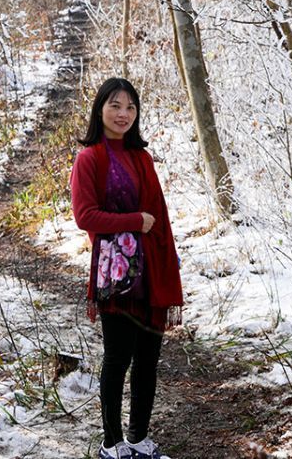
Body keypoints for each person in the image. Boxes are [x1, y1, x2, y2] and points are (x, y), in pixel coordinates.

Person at [70, 77, 183, 459]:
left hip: (151, 268)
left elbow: (160, 217)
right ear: (100, 109)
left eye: (130, 107)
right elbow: (85, 216)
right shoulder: (90, 159)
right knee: (118, 357)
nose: (123, 114)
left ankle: (137, 439)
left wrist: (169, 262)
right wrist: (134, 221)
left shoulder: (141, 158)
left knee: (149, 358)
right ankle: (111, 443)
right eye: (115, 106)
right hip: (116, 273)